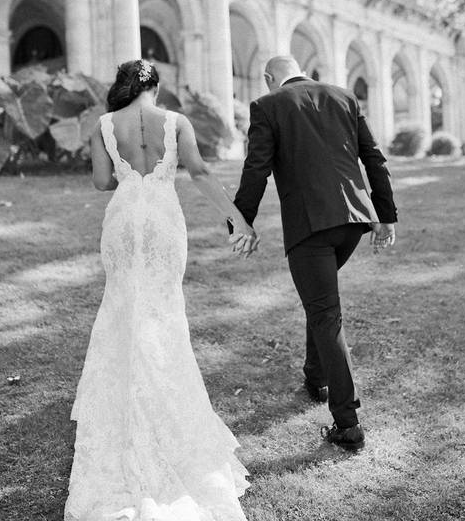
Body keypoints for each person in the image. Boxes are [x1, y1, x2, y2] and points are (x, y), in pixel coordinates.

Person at [65, 59, 257, 521]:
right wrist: (238, 218)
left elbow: (99, 183)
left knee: (121, 308)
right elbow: (201, 173)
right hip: (163, 223)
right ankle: (163, 396)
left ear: (123, 87)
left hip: (125, 219)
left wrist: (120, 163)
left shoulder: (104, 124)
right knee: (164, 312)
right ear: (155, 87)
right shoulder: (176, 121)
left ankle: (127, 400)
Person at [231, 55, 398, 451]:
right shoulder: (344, 97)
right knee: (319, 301)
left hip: (311, 226)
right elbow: (373, 157)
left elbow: (257, 168)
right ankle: (315, 377)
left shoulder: (267, 105)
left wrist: (241, 221)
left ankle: (348, 422)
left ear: (270, 78)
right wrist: (385, 216)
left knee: (325, 312)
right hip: (354, 221)